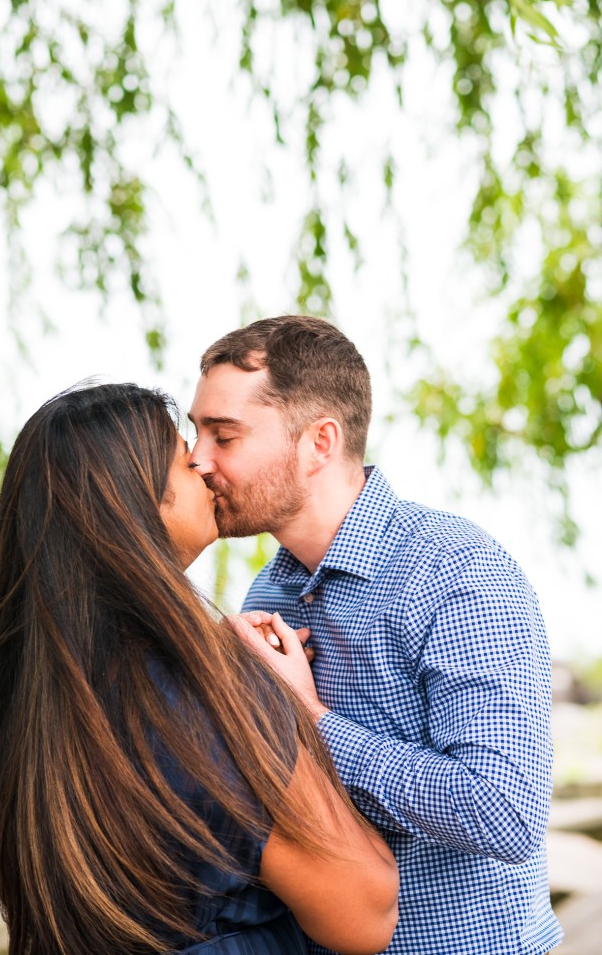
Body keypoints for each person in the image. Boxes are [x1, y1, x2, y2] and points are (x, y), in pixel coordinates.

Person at [0, 382, 399, 955]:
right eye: (183, 457)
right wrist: (289, 708)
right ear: (136, 505)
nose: (203, 465)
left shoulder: (13, 706)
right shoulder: (209, 700)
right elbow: (367, 910)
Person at [189, 316, 564, 955]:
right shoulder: (266, 598)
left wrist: (310, 717)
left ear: (319, 442)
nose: (197, 458)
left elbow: (504, 812)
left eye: (224, 435)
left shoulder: (457, 571)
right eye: (197, 434)